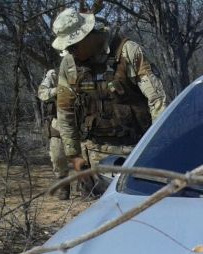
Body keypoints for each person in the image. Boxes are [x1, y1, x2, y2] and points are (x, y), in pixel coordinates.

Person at [50, 8, 168, 194]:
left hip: (135, 154)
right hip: (94, 158)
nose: (70, 51)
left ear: (87, 34)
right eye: (68, 48)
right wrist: (75, 157)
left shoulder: (127, 51)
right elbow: (65, 112)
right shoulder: (69, 64)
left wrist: (157, 148)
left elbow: (157, 100)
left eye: (73, 45)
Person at [37, 67, 70, 200]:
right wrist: (58, 90)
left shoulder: (85, 69)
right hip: (59, 122)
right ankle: (64, 186)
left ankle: (87, 186)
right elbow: (42, 93)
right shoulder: (54, 73)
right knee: (58, 157)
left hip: (82, 121)